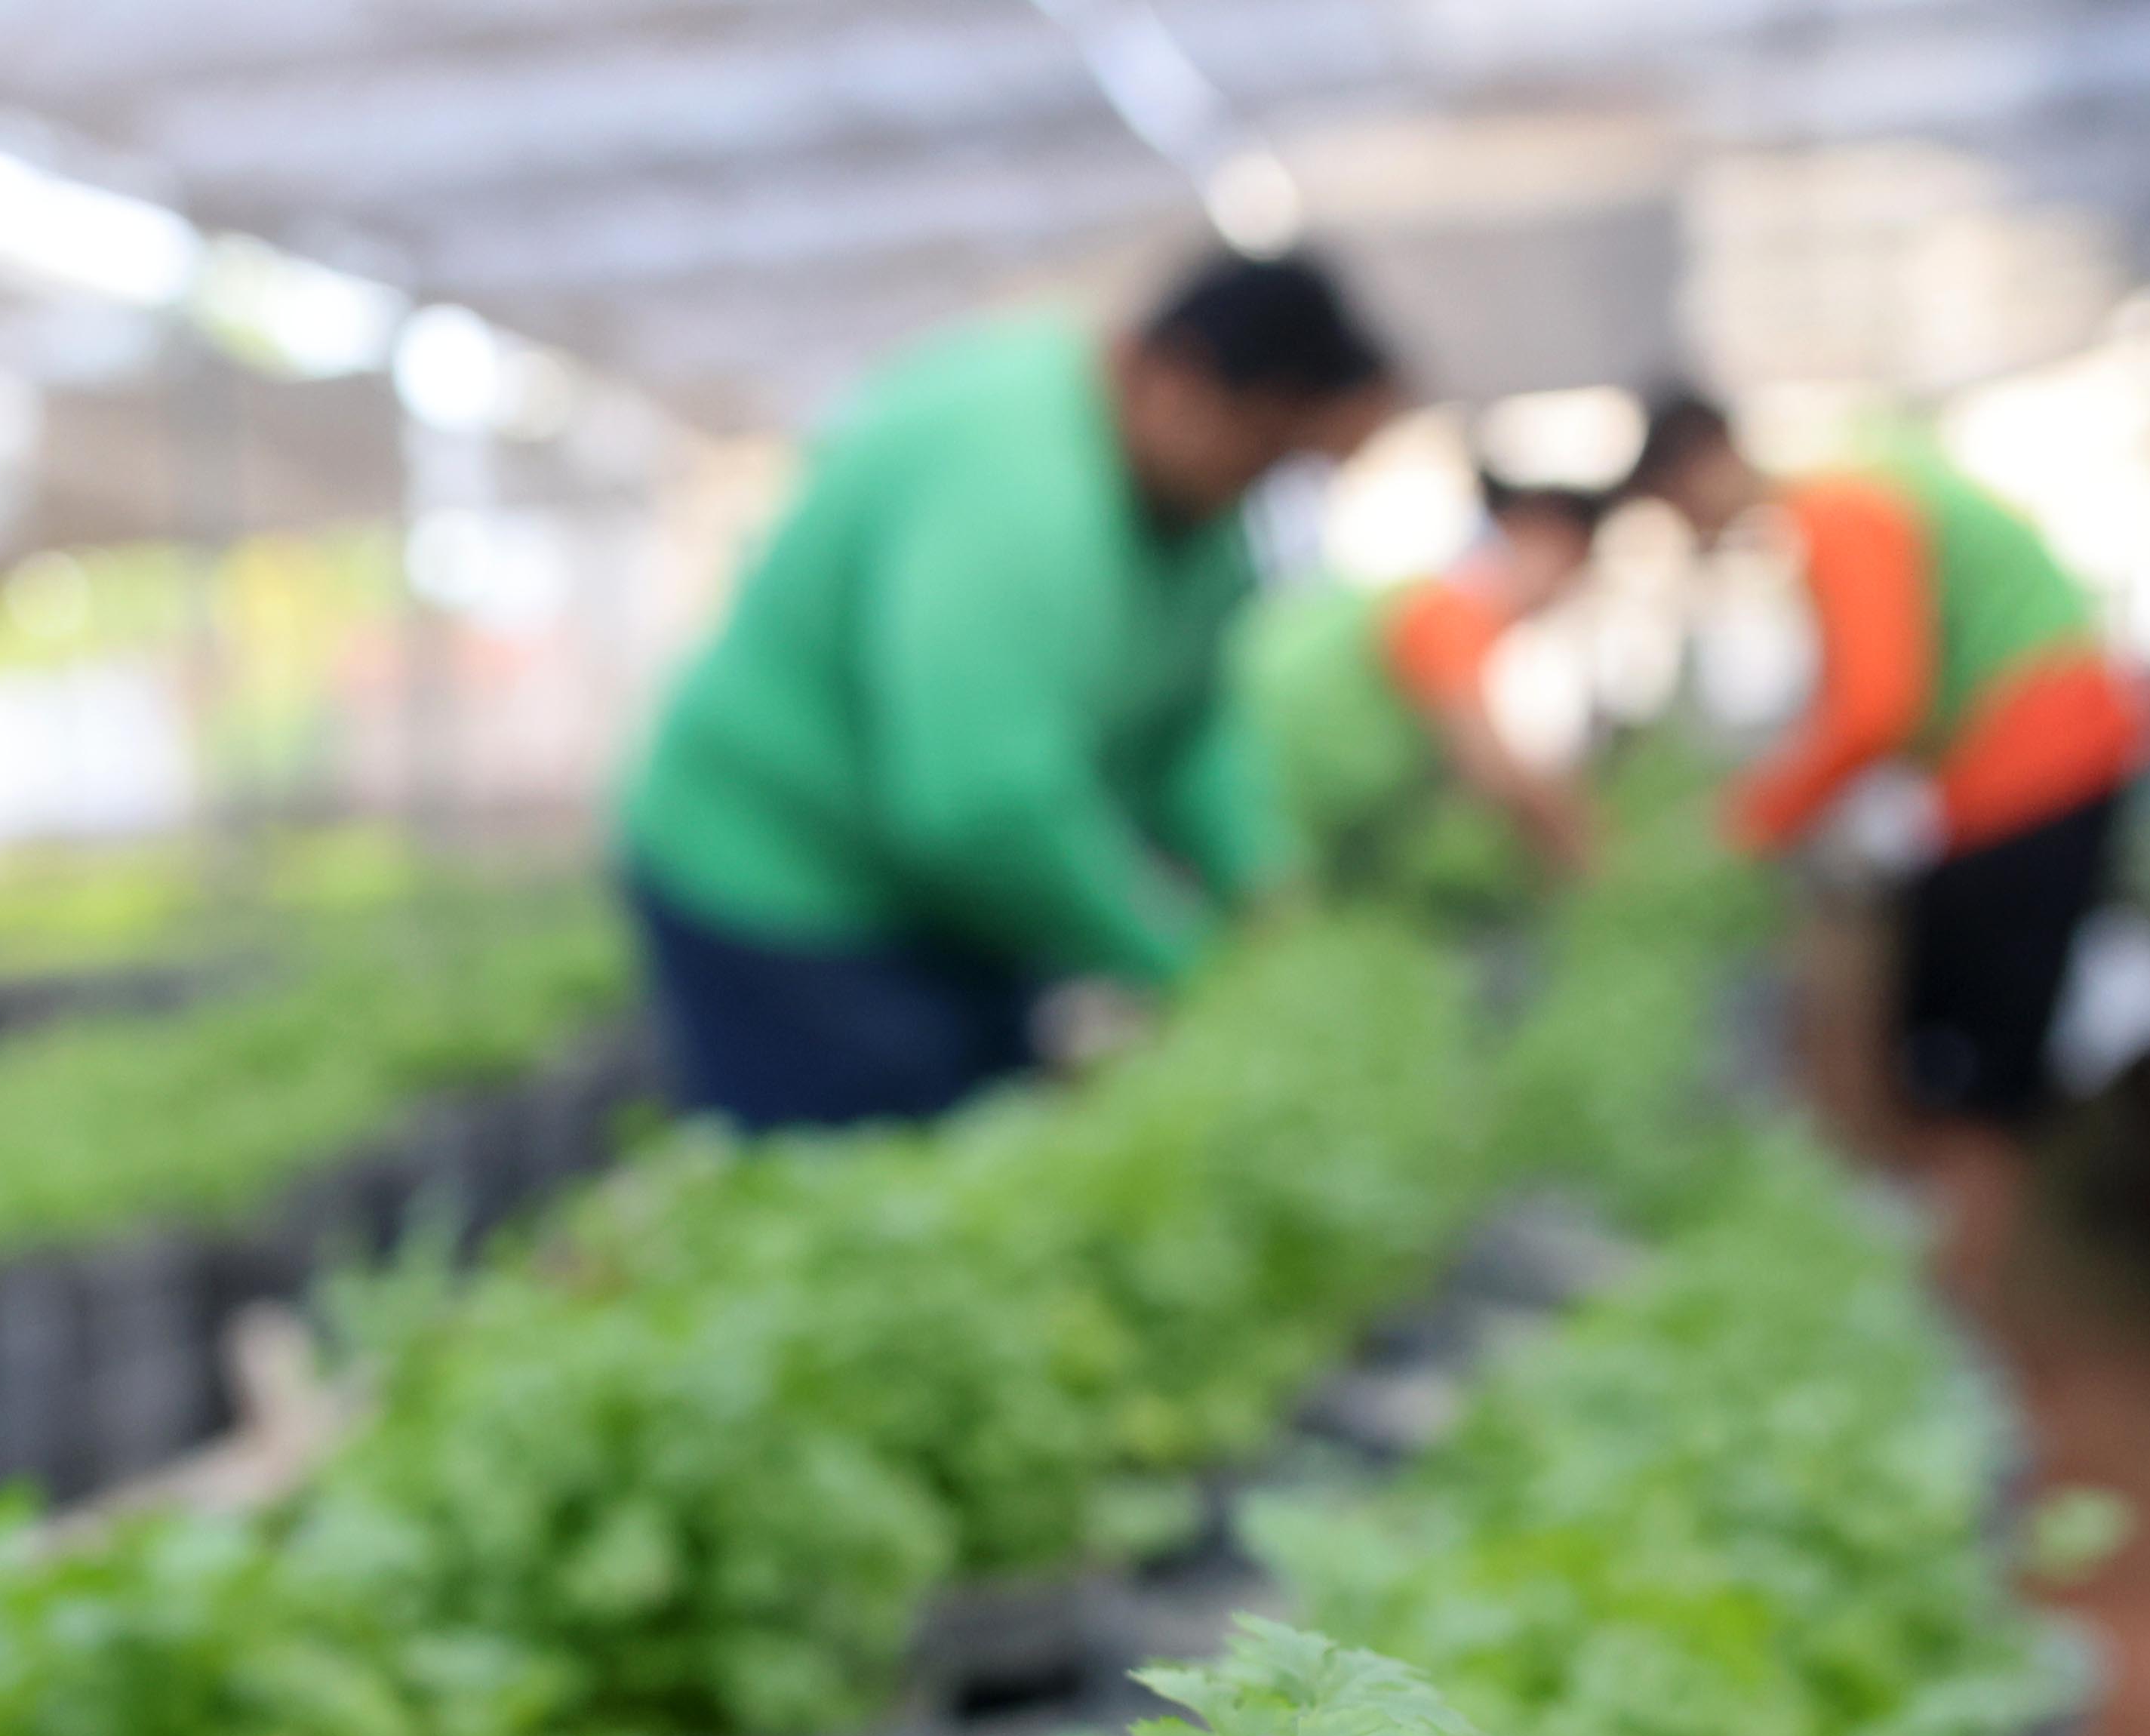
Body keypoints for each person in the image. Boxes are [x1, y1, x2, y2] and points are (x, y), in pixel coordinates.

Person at [620, 248, 1405, 1132]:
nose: (1259, 488)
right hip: (777, 865)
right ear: (1177, 382)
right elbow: (978, 805)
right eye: (1263, 450)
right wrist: (1185, 964)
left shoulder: (1192, 510)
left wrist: (1263, 886)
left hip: (929, 890)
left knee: (968, 1121)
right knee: (850, 1146)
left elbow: (1186, 721)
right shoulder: (1016, 484)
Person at [1622, 389, 2150, 1132]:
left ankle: (1955, 1245)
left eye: (1677, 507)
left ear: (1696, 469)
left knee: (1964, 1084)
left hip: (2031, 769)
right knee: (1966, 1066)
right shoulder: (1862, 471)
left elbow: (1875, 708)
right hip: (2044, 757)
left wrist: (1746, 822)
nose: (1693, 528)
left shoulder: (1835, 506)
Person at [1235, 471, 1607, 910]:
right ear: (1539, 537)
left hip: (1267, 825)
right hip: (1251, 825)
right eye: (1573, 569)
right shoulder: (1448, 612)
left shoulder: (1427, 600)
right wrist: (1589, 861)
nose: (1565, 593)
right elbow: (1492, 768)